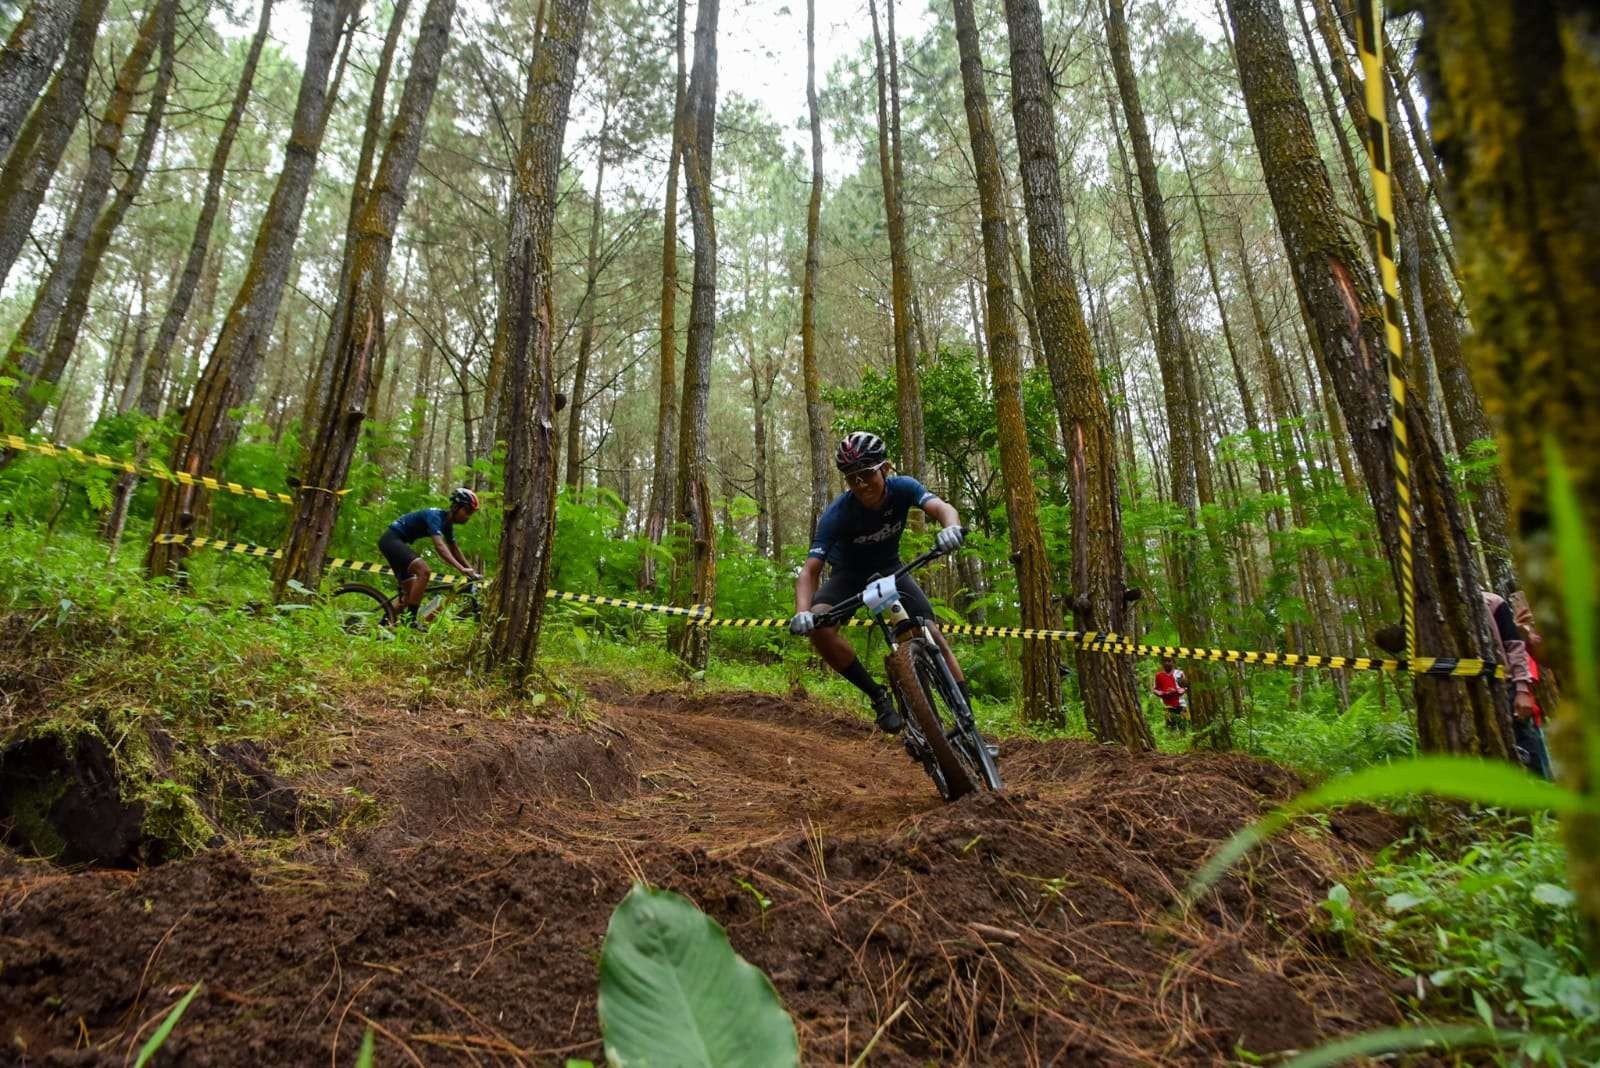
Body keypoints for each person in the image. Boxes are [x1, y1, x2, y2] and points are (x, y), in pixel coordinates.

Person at [789, 431, 968, 733]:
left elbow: (941, 507)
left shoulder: (904, 488)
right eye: (851, 478)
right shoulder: (838, 513)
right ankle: (877, 696)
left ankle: (967, 721)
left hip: (890, 568)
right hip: (849, 574)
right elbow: (809, 571)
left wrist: (951, 528)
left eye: (867, 474)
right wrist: (802, 611)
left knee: (932, 633)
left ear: (885, 468)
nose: (860, 484)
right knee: (820, 629)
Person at [380, 488, 482, 624]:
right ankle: (411, 622)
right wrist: (460, 569)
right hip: (391, 540)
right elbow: (440, 546)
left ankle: (379, 627)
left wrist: (472, 572)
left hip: (396, 543)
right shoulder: (435, 516)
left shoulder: (447, 524)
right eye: (467, 511)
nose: (468, 516)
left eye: (471, 513)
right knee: (424, 571)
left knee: (408, 597)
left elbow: (454, 549)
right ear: (456, 507)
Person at [1484, 589, 1554, 780]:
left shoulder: (1493, 603)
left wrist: (1522, 689)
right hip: (1520, 702)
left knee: (1533, 756)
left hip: (1517, 697)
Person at [1154, 656, 1188, 731]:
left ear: (1173, 662)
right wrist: (1162, 693)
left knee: (1183, 727)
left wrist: (1176, 691)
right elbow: (1155, 689)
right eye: (1165, 661)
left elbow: (1185, 688)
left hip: (1181, 705)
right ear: (1162, 663)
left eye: (1169, 661)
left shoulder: (1180, 673)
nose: (1167, 663)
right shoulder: (1158, 675)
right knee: (1170, 728)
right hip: (1167, 706)